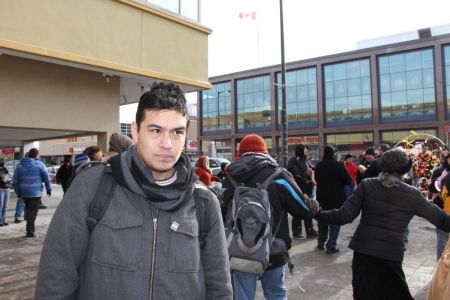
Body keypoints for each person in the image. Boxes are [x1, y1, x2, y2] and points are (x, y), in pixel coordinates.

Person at [35, 82, 232, 299]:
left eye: (177, 132)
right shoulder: (92, 187)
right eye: (155, 130)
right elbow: (56, 278)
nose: (167, 143)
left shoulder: (204, 202)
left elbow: (219, 288)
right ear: (136, 131)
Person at [316, 149, 450, 299]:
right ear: (405, 169)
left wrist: (317, 214)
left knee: (364, 295)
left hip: (363, 252)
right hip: (390, 255)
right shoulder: (412, 194)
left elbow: (343, 216)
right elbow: (442, 220)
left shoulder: (367, 185)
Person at [222, 134, 319, 300]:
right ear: (264, 152)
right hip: (273, 249)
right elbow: (304, 209)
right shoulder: (279, 175)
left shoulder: (230, 176)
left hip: (239, 249)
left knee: (242, 296)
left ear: (241, 152)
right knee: (276, 294)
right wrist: (316, 204)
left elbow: (222, 212)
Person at [315, 146, 352, 254]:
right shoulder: (339, 165)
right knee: (335, 221)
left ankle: (320, 243)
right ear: (333, 154)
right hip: (336, 198)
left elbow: (316, 179)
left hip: (321, 197)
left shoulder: (319, 165)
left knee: (322, 219)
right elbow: (348, 181)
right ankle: (331, 245)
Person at [12, 148, 51, 238]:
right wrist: (49, 189)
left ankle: (29, 231)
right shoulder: (39, 164)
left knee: (29, 212)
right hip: (35, 193)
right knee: (32, 214)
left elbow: (15, 180)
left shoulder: (19, 165)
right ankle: (30, 232)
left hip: (24, 193)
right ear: (36, 155)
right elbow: (47, 178)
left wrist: (18, 192)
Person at [286, 144, 318, 239]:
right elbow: (293, 174)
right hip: (299, 189)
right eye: (305, 149)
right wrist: (304, 180)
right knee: (298, 210)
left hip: (309, 189)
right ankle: (297, 232)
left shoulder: (306, 161)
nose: (307, 151)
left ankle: (310, 230)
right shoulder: (294, 160)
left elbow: (311, 171)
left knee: (309, 209)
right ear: (300, 150)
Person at [0, 158, 12, 226]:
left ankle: (3, 220)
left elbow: (10, 179)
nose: (6, 164)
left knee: (5, 206)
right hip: (1, 189)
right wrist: (8, 179)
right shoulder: (1, 171)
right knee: (1, 206)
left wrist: (8, 179)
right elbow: (4, 179)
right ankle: (0, 221)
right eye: (5, 163)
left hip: (7, 189)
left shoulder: (7, 171)